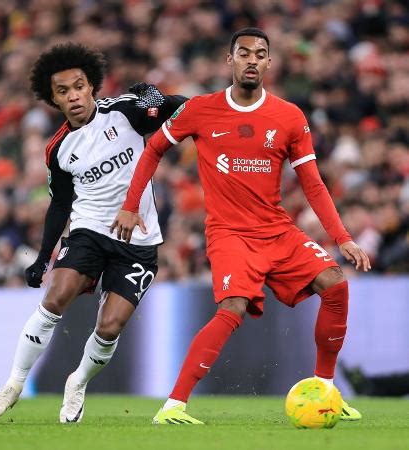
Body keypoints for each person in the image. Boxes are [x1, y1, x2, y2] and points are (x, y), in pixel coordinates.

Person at [111, 27, 371, 425]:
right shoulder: (199, 109)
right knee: (231, 308)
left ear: (269, 62)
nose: (252, 59)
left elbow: (313, 183)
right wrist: (130, 207)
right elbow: (153, 150)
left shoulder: (289, 116)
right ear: (229, 60)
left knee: (335, 284)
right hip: (230, 234)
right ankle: (173, 406)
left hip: (278, 230)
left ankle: (326, 390)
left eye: (260, 54)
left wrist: (343, 238)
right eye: (244, 53)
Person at [0, 43, 186, 423]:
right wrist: (42, 258)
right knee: (56, 297)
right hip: (89, 230)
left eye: (79, 86)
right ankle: (14, 383)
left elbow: (179, 107)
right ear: (53, 99)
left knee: (110, 326)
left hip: (138, 240)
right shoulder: (59, 149)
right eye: (63, 91)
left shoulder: (124, 112)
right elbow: (60, 206)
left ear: (92, 87)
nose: (73, 96)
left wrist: (153, 94)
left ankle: (77, 382)